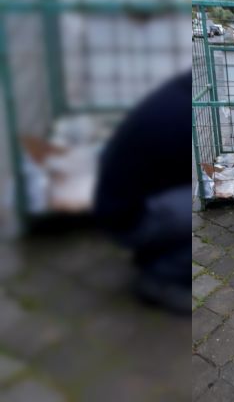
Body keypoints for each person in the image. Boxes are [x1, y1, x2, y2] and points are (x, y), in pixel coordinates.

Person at [94, 71, 191, 314]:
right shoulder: (177, 116)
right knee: (192, 213)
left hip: (116, 201)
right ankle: (159, 278)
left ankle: (152, 250)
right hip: (125, 218)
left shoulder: (171, 96)